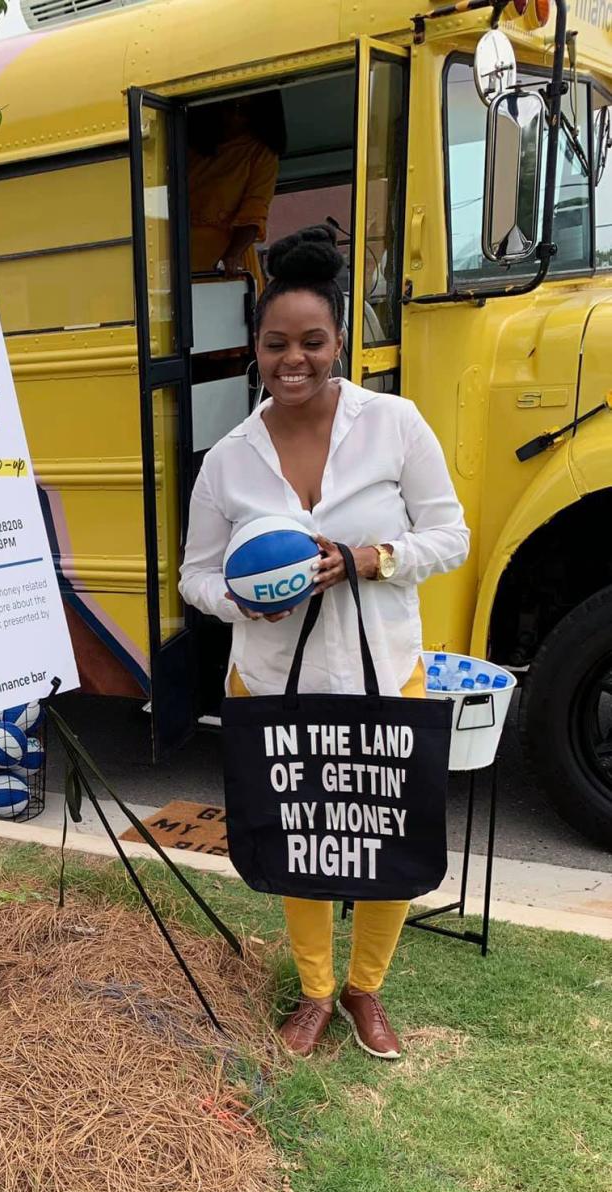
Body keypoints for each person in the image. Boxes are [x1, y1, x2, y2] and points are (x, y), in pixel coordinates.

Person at [180, 227, 469, 1061]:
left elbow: (450, 535)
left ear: (339, 341)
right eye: (276, 345)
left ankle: (364, 987)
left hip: (382, 668)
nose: (293, 360)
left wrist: (369, 559)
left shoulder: (394, 425)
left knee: (386, 829)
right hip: (269, 675)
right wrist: (240, 601)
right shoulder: (229, 460)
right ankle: (312, 990)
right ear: (257, 350)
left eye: (312, 342)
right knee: (299, 829)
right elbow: (194, 577)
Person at [188, 93, 285, 292]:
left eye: (244, 111)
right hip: (181, 258)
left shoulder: (261, 153)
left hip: (225, 266)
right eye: (228, 107)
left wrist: (232, 256)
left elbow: (254, 211)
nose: (233, 117)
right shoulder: (190, 147)